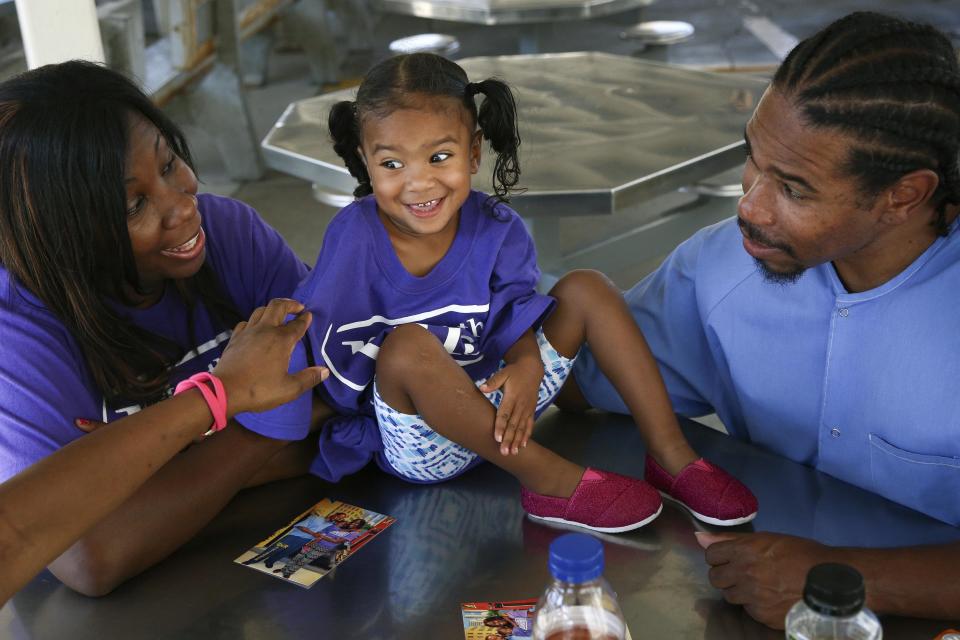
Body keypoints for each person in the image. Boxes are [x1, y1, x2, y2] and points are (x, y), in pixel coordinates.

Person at [240, 53, 757, 533]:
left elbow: (515, 307)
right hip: (421, 442)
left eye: (439, 157)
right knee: (407, 345)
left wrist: (528, 360)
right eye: (392, 164)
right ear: (365, 160)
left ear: (472, 153)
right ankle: (552, 483)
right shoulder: (352, 238)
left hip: (509, 405)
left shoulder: (497, 226)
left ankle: (672, 458)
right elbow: (329, 357)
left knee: (587, 287)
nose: (419, 184)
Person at [567, 10, 960, 628]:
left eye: (795, 189)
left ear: (904, 195)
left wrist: (846, 580)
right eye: (754, 159)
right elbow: (579, 384)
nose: (750, 206)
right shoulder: (722, 266)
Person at [0, 61, 331, 596]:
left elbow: (347, 393)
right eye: (135, 204)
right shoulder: (17, 333)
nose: (183, 203)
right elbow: (92, 557)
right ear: (66, 235)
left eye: (170, 162)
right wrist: (250, 412)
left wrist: (154, 465)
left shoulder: (228, 233)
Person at [0, 297, 327, 606]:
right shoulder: (15, 326)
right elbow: (86, 555)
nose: (187, 233)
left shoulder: (229, 244)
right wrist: (228, 402)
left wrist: (168, 455)